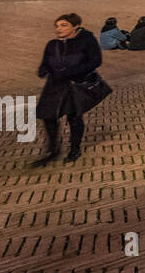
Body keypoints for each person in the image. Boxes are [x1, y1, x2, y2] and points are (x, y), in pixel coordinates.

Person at [32, 13, 104, 166]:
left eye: (63, 25)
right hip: (54, 85)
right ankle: (53, 149)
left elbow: (96, 61)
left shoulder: (86, 40)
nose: (59, 29)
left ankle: (75, 148)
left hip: (73, 84)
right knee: (48, 116)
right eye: (57, 26)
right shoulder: (52, 44)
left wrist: (72, 72)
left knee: (74, 117)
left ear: (75, 26)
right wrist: (43, 69)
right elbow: (45, 62)